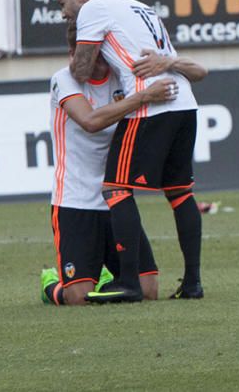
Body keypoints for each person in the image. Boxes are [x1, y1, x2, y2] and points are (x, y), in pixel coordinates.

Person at [56, 0, 206, 302]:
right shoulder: (140, 7)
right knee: (180, 192)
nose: (63, 13)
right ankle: (193, 283)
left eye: (63, 3)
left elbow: (80, 70)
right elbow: (184, 65)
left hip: (151, 104)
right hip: (184, 102)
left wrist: (87, 54)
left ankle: (128, 282)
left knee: (115, 188)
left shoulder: (94, 9)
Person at [41, 23, 175, 306]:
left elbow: (199, 73)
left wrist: (169, 61)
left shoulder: (122, 79)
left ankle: (102, 275)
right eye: (80, 54)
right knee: (78, 297)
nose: (88, 61)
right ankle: (52, 283)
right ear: (73, 53)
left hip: (117, 200)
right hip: (75, 201)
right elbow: (90, 121)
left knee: (148, 290)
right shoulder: (64, 79)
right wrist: (143, 97)